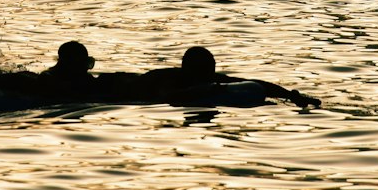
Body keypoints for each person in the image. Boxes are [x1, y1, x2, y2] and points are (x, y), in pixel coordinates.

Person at [132, 45, 321, 109]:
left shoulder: (211, 79)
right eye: (206, 71)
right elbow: (166, 97)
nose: (211, 76)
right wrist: (200, 91)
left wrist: (292, 96)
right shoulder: (168, 79)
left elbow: (256, 84)